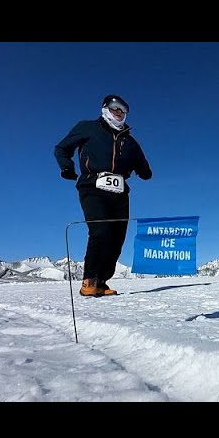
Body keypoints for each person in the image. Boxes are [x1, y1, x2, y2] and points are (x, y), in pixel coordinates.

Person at [54, 94, 152, 297]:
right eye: (115, 108)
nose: (119, 112)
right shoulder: (88, 128)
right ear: (105, 108)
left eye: (123, 110)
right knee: (100, 231)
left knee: (117, 238)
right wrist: (67, 167)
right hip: (93, 187)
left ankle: (101, 281)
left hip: (119, 193)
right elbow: (62, 148)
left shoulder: (129, 141)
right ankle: (89, 280)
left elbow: (142, 165)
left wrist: (144, 172)